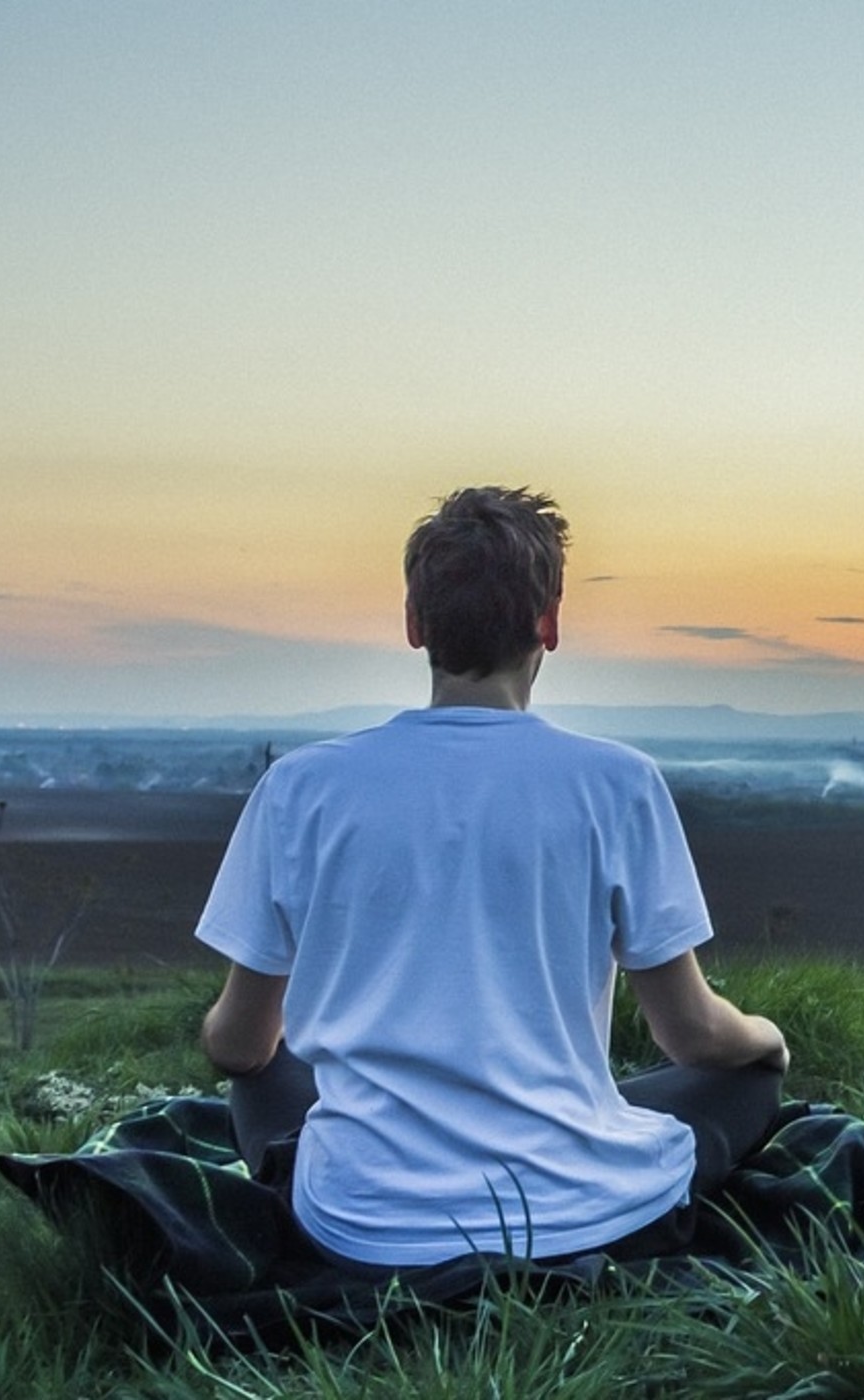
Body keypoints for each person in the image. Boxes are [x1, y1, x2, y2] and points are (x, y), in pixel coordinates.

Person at [195, 485, 788, 1276]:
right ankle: (584, 1139)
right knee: (743, 1081)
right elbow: (692, 1037)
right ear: (549, 622)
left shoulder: (301, 788)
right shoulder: (618, 783)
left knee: (263, 1071)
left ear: (415, 625)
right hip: (581, 1216)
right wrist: (767, 1040)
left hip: (362, 1227)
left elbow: (237, 1045)